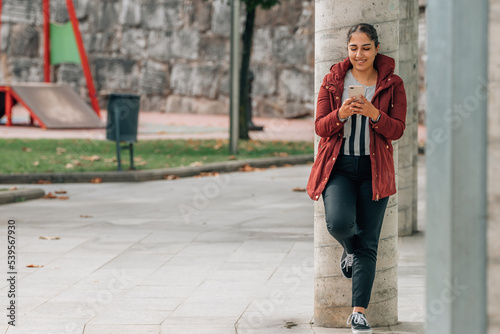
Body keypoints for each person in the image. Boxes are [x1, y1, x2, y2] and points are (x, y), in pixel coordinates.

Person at [306, 23, 407, 334]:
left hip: (375, 171)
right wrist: (341, 114)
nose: (359, 54)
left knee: (369, 243)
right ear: (347, 50)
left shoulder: (392, 83)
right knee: (339, 224)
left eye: (365, 47)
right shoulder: (334, 80)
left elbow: (398, 129)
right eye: (354, 48)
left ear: (376, 49)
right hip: (339, 168)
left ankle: (359, 313)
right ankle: (348, 249)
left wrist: (374, 114)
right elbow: (321, 127)